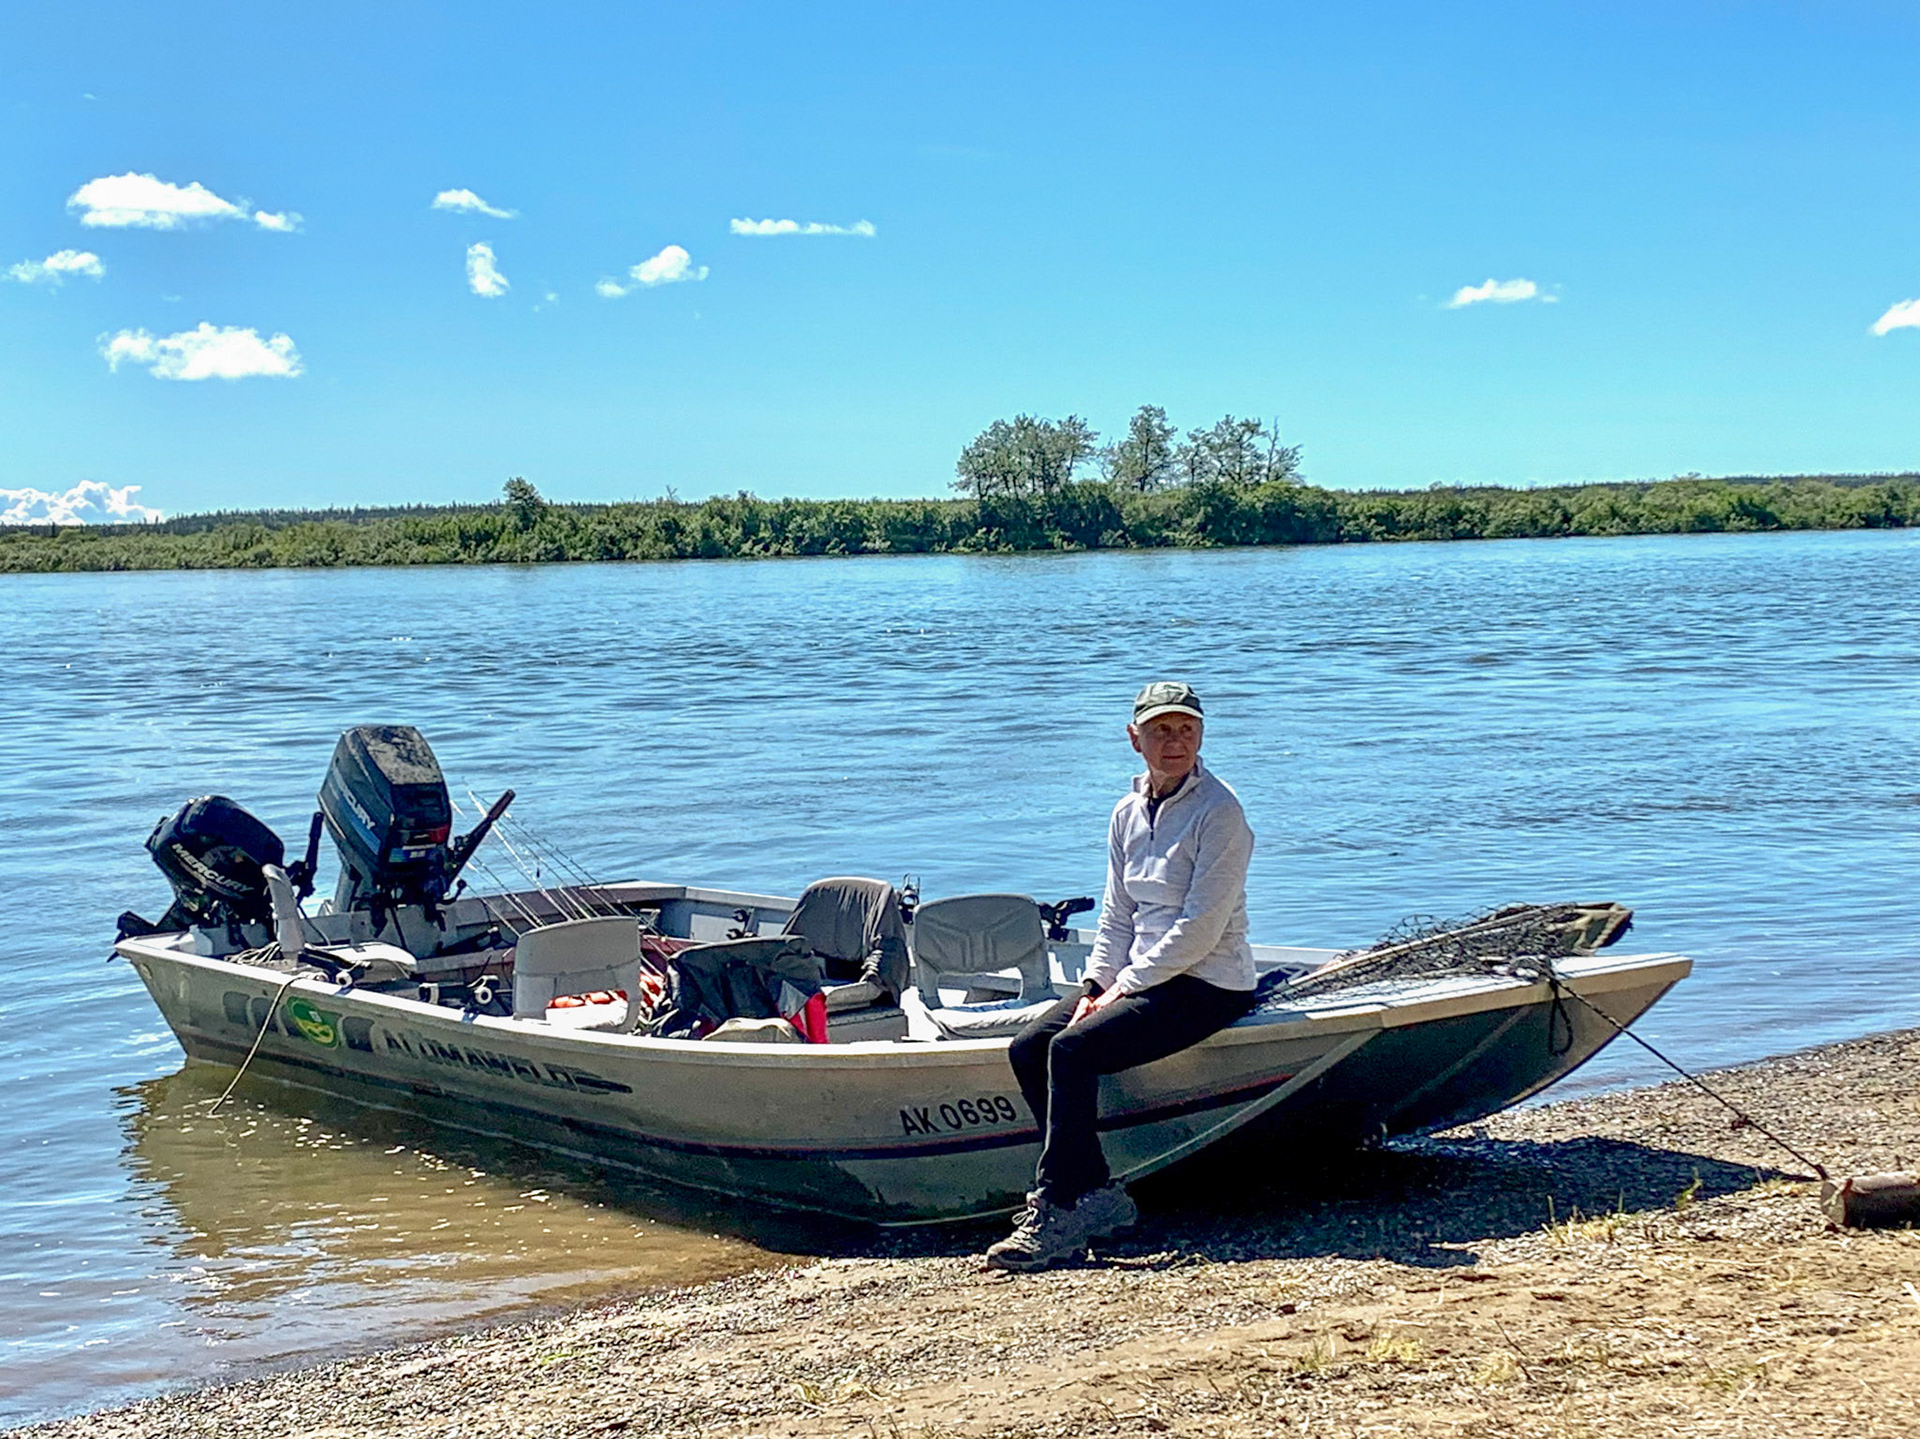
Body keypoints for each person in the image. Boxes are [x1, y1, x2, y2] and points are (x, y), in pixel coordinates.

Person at [986, 681, 1258, 1271]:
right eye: (1161, 730)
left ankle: (1058, 1205)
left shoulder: (1221, 812)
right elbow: (1117, 916)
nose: (1175, 741)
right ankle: (1096, 1195)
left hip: (1208, 981)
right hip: (1140, 976)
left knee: (1075, 1051)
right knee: (1031, 1045)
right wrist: (1092, 987)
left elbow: (1199, 930)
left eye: (1186, 729)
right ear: (1134, 739)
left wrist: (1123, 989)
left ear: (1202, 736)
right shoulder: (1126, 812)